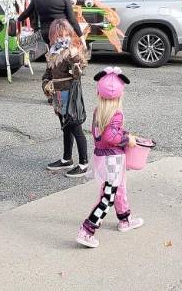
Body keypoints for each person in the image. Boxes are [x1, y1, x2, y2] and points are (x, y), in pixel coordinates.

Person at [76, 67, 143, 248]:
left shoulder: (99, 110)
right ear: (121, 95)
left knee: (118, 187)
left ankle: (125, 218)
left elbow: (106, 133)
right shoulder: (117, 113)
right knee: (108, 196)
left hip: (102, 158)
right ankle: (87, 230)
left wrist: (124, 133)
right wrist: (126, 139)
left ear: (99, 92)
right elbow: (110, 137)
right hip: (113, 159)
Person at [42, 19, 89, 177]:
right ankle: (66, 158)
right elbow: (47, 73)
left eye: (65, 35)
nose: (62, 38)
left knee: (75, 127)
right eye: (59, 35)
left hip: (70, 96)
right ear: (52, 37)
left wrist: (77, 65)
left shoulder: (71, 52)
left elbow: (79, 70)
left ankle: (83, 163)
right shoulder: (52, 53)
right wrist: (46, 84)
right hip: (58, 96)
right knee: (66, 127)